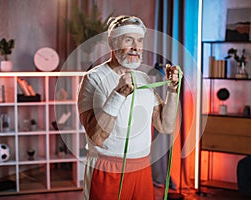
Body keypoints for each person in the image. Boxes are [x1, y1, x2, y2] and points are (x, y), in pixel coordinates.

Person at [77, 15, 181, 200]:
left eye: (139, 40)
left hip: (141, 166)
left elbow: (166, 126)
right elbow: (96, 137)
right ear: (113, 43)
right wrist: (118, 94)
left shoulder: (144, 78)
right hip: (107, 168)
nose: (135, 47)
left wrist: (173, 91)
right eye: (128, 40)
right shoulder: (93, 78)